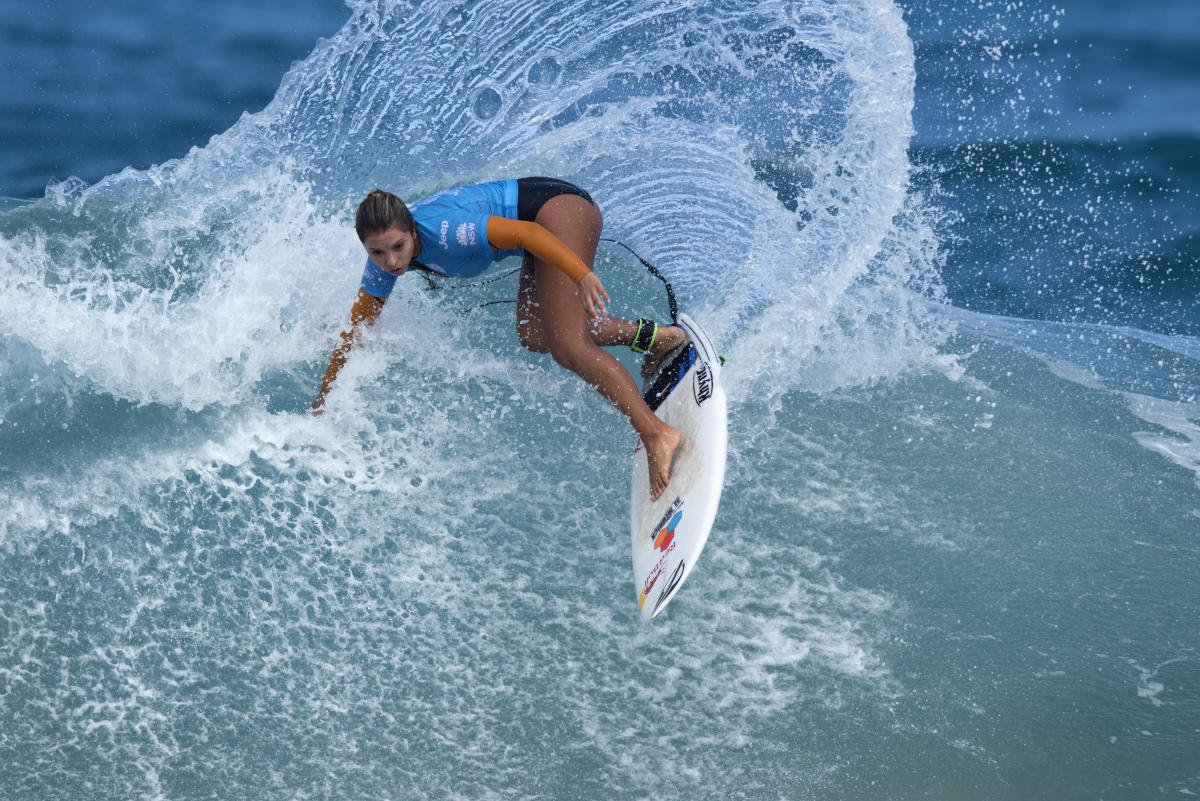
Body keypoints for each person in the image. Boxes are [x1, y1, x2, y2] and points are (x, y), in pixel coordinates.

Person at [312, 177, 685, 501]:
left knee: (569, 347)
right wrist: (325, 399)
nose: (391, 261)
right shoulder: (382, 264)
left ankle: (656, 433)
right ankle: (656, 339)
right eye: (377, 252)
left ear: (411, 230)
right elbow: (355, 332)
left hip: (560, 210)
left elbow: (529, 233)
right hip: (542, 221)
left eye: (398, 247)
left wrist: (581, 274)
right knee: (537, 334)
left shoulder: (447, 231)